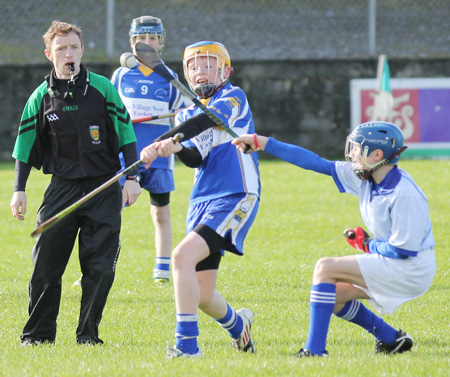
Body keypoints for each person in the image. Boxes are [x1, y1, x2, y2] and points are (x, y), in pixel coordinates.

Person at [232, 121, 436, 357]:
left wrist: (365, 244)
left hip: (411, 268)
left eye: (357, 149)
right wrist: (263, 143)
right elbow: (317, 164)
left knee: (324, 268)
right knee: (333, 295)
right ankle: (391, 339)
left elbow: (403, 250)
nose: (351, 153)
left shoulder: (405, 194)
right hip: (399, 262)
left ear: (378, 154)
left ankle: (315, 351)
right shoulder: (368, 176)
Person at [10, 20, 141, 345]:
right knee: (45, 268)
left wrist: (132, 177)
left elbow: (126, 133)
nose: (68, 54)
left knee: (99, 269)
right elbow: (24, 146)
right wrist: (19, 189)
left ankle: (88, 336)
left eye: (73, 47)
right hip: (62, 189)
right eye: (61, 49)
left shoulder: (102, 89)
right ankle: (37, 336)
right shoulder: (40, 97)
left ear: (82, 50)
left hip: (104, 187)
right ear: (49, 55)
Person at [140, 41, 261, 358]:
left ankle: (187, 346)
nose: (199, 71)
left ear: (225, 71)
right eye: (193, 66)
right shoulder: (189, 110)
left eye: (208, 65)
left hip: (235, 193)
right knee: (204, 294)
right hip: (202, 200)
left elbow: (206, 122)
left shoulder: (233, 98)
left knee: (180, 258)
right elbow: (196, 157)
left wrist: (168, 137)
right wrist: (175, 148)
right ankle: (239, 327)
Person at [110, 15, 185, 284]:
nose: (147, 43)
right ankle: (103, 265)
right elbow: (113, 114)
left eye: (153, 38)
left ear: (161, 42)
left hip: (159, 157)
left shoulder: (170, 77)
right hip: (126, 155)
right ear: (133, 42)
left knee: (160, 212)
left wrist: (182, 115)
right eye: (142, 38)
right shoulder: (120, 75)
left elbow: (181, 116)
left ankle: (162, 271)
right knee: (111, 210)